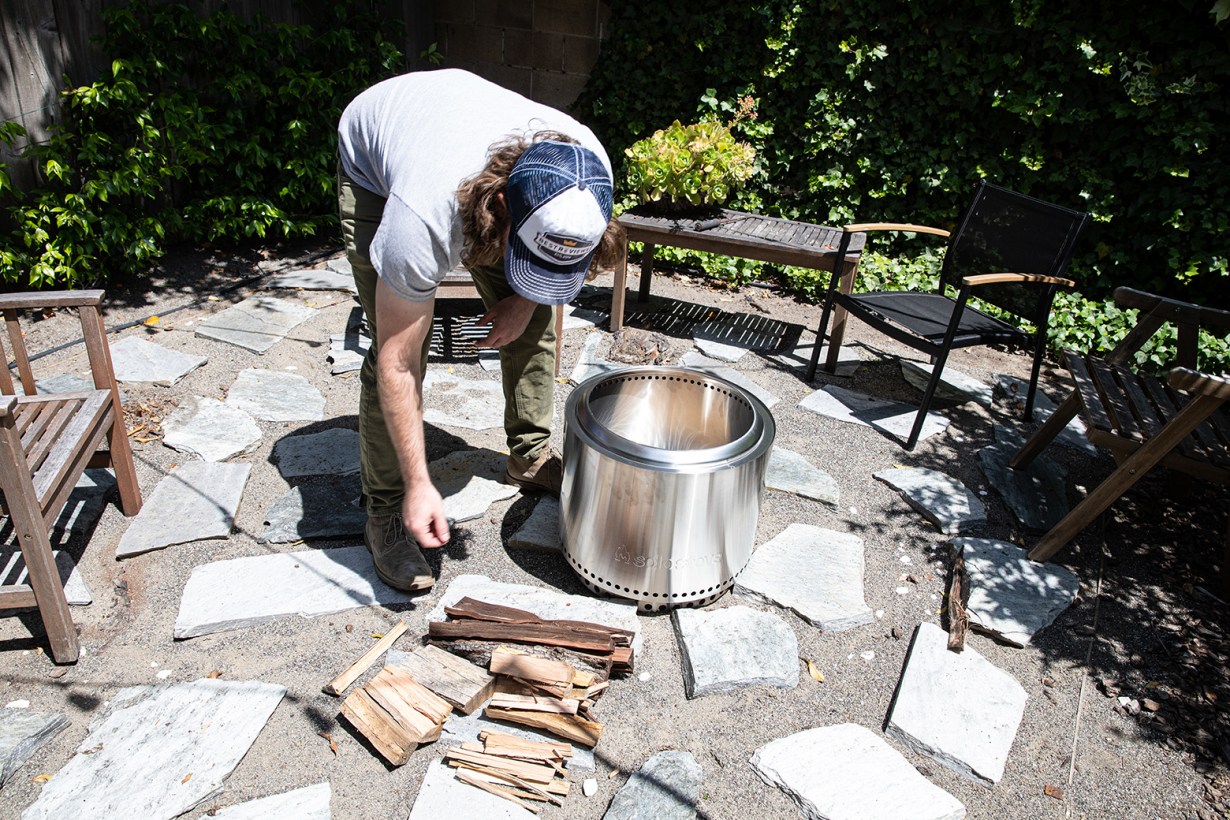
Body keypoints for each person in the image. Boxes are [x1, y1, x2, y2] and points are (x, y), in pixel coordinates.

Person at [336, 68, 624, 592]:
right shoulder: (419, 218)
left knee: (533, 324)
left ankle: (528, 454)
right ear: (499, 210)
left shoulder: (589, 169)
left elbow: (549, 267)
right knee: (399, 346)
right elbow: (396, 364)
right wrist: (421, 484)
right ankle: (384, 511)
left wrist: (525, 299)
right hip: (375, 164)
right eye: (528, 254)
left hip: (465, 152)